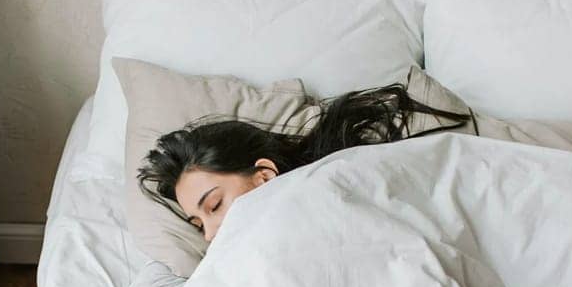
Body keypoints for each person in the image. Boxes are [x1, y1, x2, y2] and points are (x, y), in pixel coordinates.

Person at [137, 83, 470, 241]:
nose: (209, 236)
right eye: (199, 225)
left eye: (214, 205)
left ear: (264, 177)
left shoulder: (334, 184)